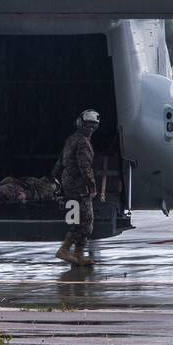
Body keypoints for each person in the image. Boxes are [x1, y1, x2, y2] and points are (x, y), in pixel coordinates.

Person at [53, 109, 100, 266]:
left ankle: (79, 255)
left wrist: (56, 178)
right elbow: (84, 166)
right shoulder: (83, 142)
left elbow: (60, 161)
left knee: (81, 220)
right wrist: (92, 186)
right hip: (79, 186)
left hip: (69, 183)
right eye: (89, 126)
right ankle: (65, 250)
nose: (90, 129)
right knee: (86, 223)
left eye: (92, 126)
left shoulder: (71, 139)